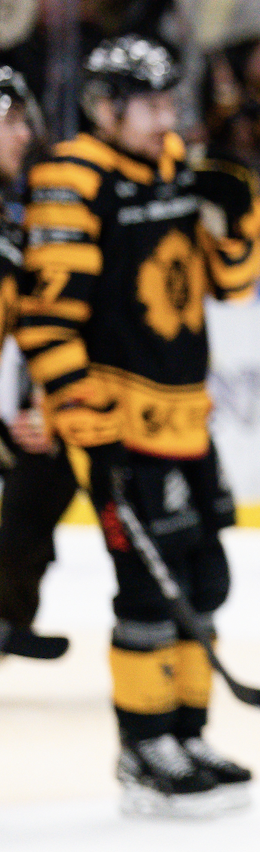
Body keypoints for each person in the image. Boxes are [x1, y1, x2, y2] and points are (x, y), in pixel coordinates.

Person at [22, 35, 260, 816]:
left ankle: (190, 733)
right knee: (148, 590)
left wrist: (237, 223)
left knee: (205, 581)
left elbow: (232, 287)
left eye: (170, 103)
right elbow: (47, 317)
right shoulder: (71, 180)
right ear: (106, 108)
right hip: (118, 423)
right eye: (150, 105)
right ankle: (143, 747)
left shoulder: (178, 170)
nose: (166, 119)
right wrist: (81, 415)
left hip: (188, 417)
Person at [0, 71, 70, 661]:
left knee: (45, 473)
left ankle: (8, 614)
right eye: (13, 123)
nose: (25, 136)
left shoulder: (12, 222)